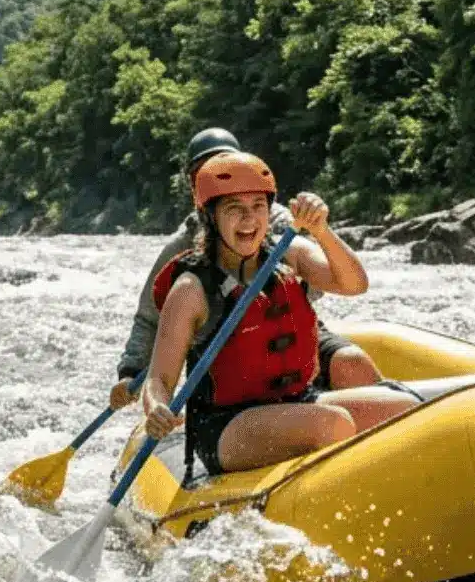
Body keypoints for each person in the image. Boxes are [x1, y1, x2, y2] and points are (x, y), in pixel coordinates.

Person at [135, 153, 417, 475]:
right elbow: (159, 379)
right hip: (227, 425)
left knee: (406, 410)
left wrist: (321, 230)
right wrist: (156, 407)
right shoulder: (191, 289)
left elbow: (354, 284)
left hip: (297, 401)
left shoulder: (289, 255)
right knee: (332, 424)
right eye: (234, 208)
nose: (249, 219)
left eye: (258, 206)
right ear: (210, 217)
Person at [112, 127, 382, 397]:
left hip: (288, 329)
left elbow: (336, 281)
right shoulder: (180, 248)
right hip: (227, 349)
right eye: (206, 172)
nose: (249, 218)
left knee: (352, 364)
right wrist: (131, 371)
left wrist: (318, 231)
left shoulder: (279, 223)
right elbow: (150, 318)